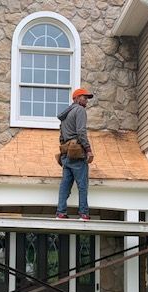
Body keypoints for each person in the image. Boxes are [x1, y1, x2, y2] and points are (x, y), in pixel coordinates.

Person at [56, 88, 94, 221]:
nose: (86, 101)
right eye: (84, 98)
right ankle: (83, 214)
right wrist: (88, 149)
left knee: (65, 185)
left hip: (66, 154)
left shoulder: (65, 115)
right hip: (77, 153)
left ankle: (61, 213)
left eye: (87, 99)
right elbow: (81, 132)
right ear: (76, 98)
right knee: (82, 185)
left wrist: (63, 153)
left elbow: (61, 137)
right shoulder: (80, 110)